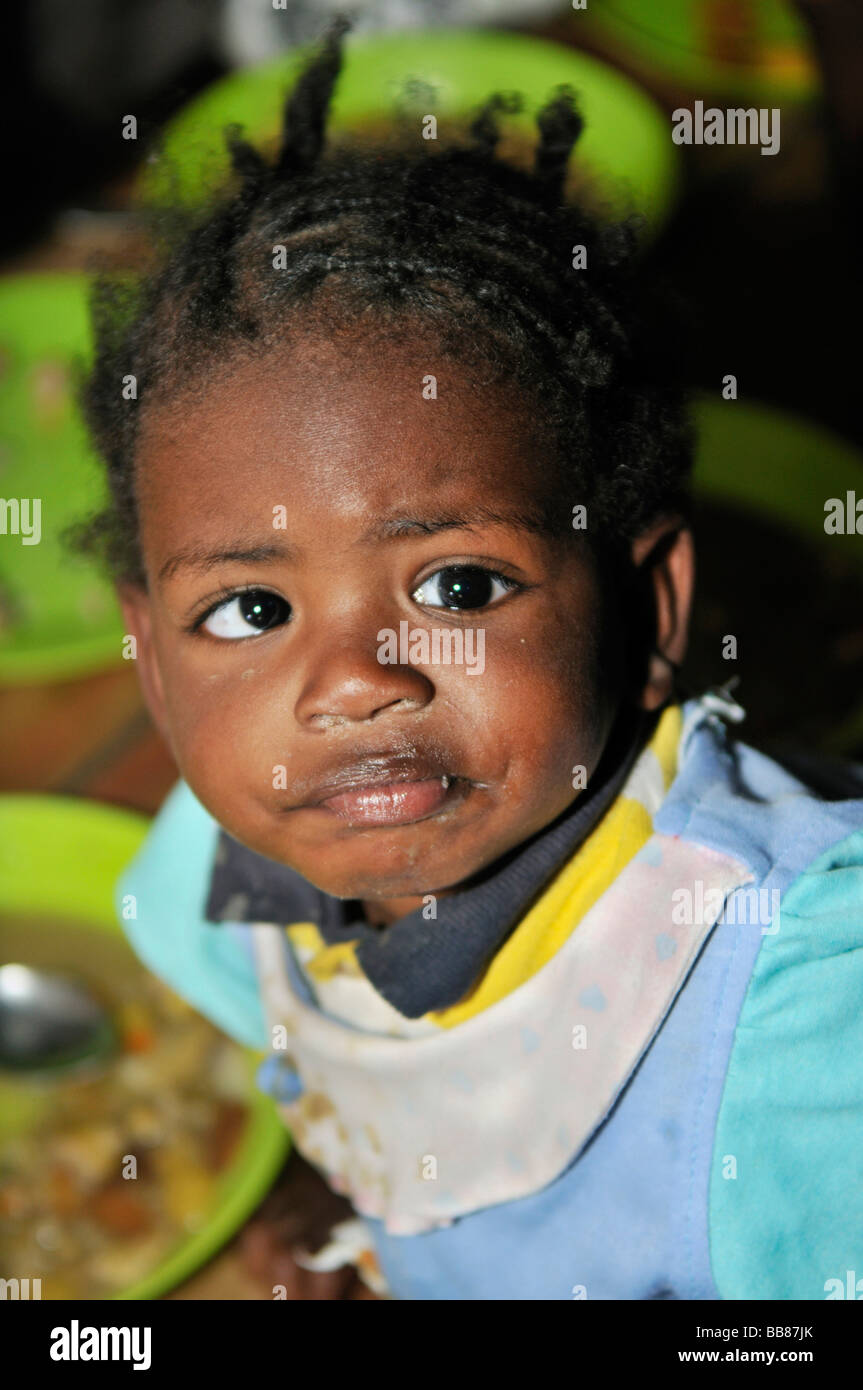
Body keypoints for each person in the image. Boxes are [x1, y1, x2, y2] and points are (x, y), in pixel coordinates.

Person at [76, 20, 863, 1300]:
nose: (348, 683)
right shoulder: (224, 871)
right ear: (152, 665)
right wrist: (341, 1208)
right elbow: (354, 1086)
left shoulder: (803, 1024)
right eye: (247, 612)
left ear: (649, 608)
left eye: (456, 584)